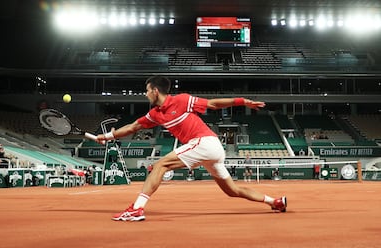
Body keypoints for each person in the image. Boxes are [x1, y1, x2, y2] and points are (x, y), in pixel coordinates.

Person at [96, 76, 287, 221]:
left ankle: (137, 209)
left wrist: (242, 101)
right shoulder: (155, 114)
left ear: (155, 91)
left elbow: (212, 104)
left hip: (204, 142)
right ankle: (274, 201)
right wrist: (107, 136)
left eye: (147, 91)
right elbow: (133, 127)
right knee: (232, 190)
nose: (145, 94)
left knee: (161, 165)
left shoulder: (181, 100)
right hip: (210, 150)